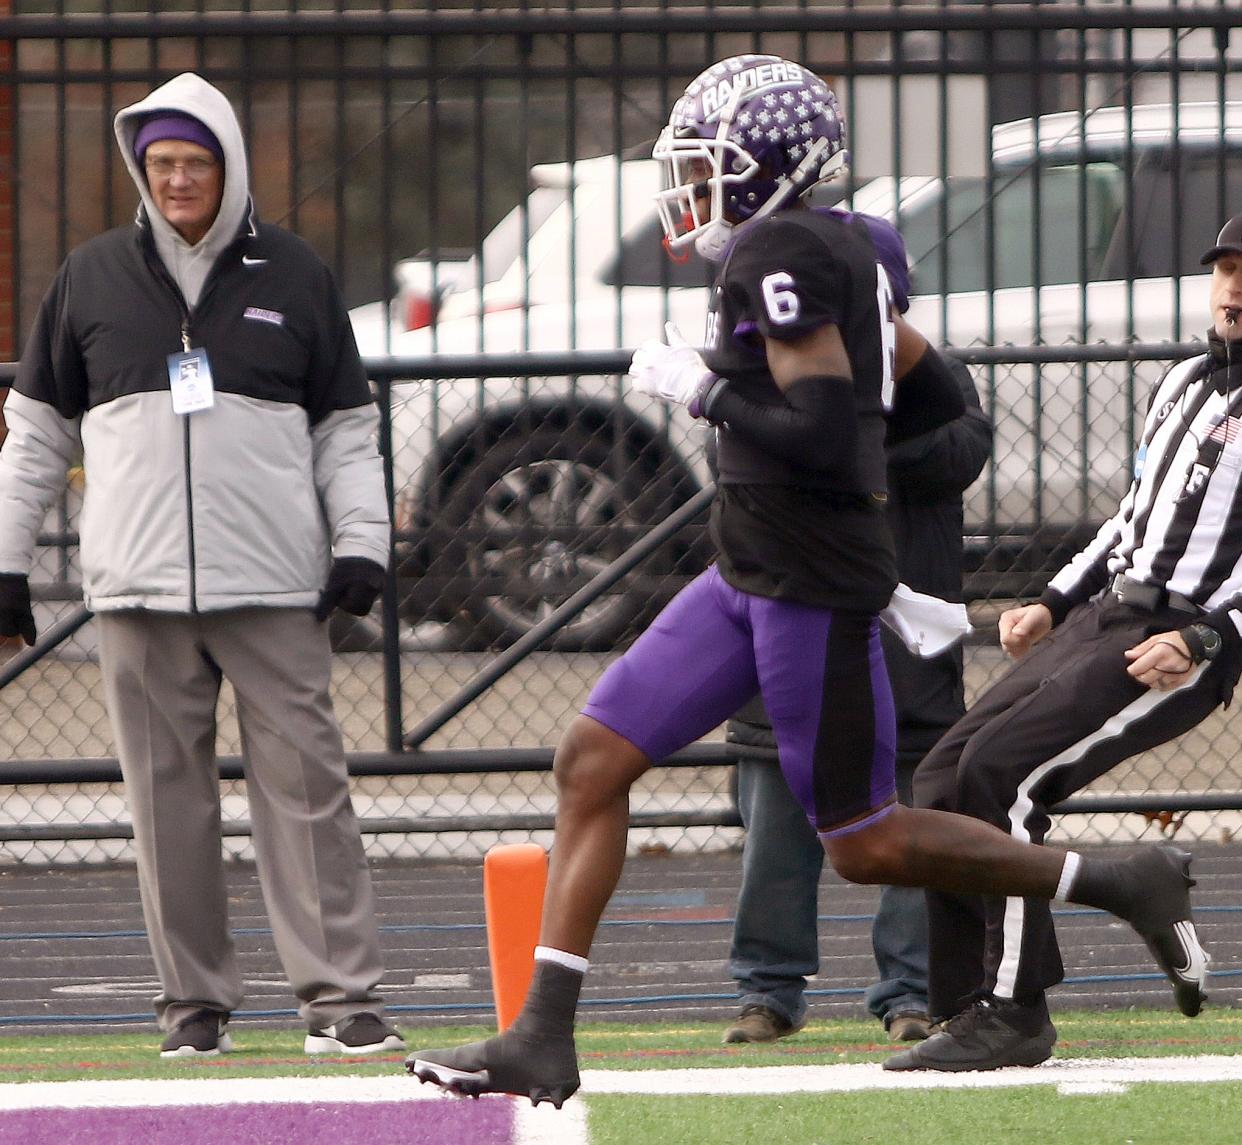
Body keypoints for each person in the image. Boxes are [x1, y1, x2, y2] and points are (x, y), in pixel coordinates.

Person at [406, 54, 1207, 1107]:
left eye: (706, 164)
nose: (687, 186)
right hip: (752, 564)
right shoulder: (841, 244)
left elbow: (826, 432)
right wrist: (871, 476)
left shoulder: (779, 251)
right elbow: (932, 384)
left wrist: (702, 391)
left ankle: (1117, 878)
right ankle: (543, 1034)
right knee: (592, 757)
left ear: (765, 168)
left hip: (805, 587)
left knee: (865, 841)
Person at [0, 72, 404, 1059]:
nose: (178, 179)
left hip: (274, 588)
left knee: (310, 792)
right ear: (143, 171)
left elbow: (348, 434)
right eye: (161, 163)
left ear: (229, 165)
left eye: (196, 161)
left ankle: (340, 999)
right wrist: (6, 563)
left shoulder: (297, 276)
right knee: (164, 805)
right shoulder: (89, 278)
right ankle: (193, 1004)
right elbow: (36, 436)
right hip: (134, 594)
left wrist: (360, 544)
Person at [885, 214, 1242, 1073]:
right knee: (940, 777)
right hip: (1109, 614)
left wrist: (1208, 635)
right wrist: (1053, 598)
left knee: (1000, 778)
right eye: (1226, 268)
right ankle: (971, 998)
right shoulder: (1189, 380)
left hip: (1182, 639)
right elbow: (1132, 515)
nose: (1233, 286)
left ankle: (1016, 1011)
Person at [724, 351, 990, 1046]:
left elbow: (960, 451)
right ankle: (767, 990)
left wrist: (859, 418)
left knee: (911, 821)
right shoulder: (771, 367)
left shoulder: (936, 372)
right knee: (776, 833)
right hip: (786, 634)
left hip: (907, 665)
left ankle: (909, 992)